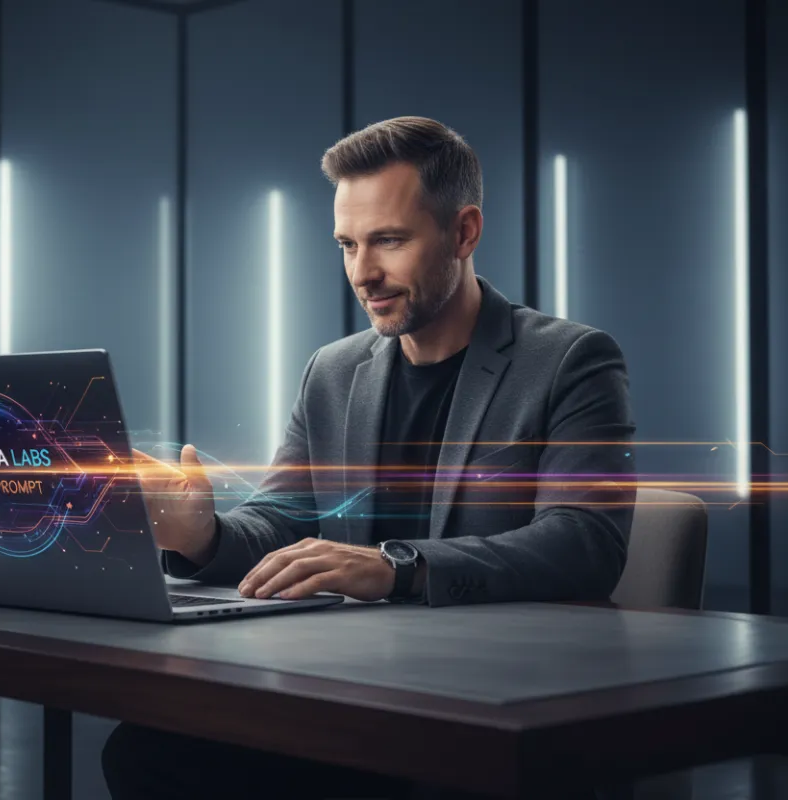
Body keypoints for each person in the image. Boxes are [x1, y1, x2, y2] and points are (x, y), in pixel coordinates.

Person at [102, 116, 636, 800]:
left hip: (497, 705)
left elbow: (584, 541)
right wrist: (202, 534)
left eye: (389, 240)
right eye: (347, 244)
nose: (363, 272)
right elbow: (283, 521)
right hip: (357, 695)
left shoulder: (569, 359)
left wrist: (397, 568)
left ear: (464, 232)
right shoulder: (333, 369)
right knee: (147, 750)